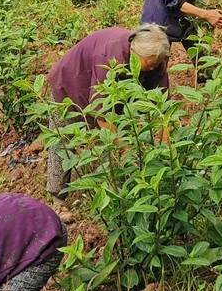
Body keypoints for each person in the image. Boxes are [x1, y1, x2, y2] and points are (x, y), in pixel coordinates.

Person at [45, 24, 171, 200]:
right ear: (133, 50)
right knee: (64, 141)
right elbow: (103, 115)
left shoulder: (156, 58)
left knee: (120, 141)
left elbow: (163, 104)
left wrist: (165, 145)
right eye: (148, 65)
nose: (151, 70)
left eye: (154, 65)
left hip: (110, 99)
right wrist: (127, 151)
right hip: (70, 85)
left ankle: (123, 195)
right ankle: (58, 197)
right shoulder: (109, 56)